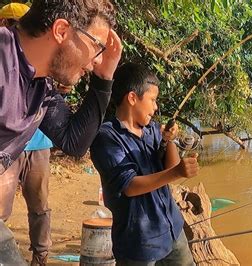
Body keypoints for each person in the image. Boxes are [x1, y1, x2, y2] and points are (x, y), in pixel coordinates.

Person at [0, 0, 121, 265]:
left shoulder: (40, 86)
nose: (94, 62)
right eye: (95, 47)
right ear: (61, 30)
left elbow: (74, 142)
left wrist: (104, 77)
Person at [90, 63, 199, 266]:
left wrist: (169, 141)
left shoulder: (151, 131)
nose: (155, 107)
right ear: (132, 98)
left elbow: (170, 167)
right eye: (152, 99)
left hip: (172, 228)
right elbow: (130, 186)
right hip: (138, 242)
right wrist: (177, 172)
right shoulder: (106, 137)